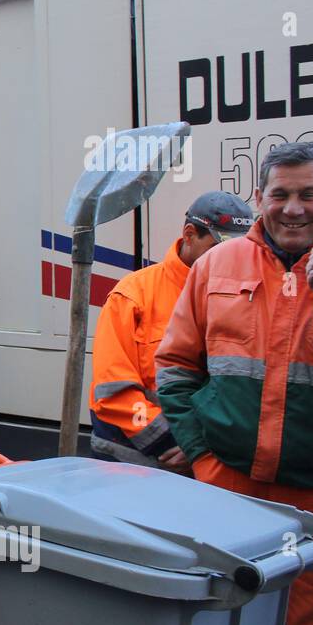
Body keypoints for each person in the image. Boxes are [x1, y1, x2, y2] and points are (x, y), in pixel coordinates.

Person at [156, 141, 313, 625]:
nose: (293, 208)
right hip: (230, 496)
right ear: (259, 198)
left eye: (309, 194)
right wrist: (204, 460)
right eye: (279, 194)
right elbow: (177, 368)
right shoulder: (217, 265)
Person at [90, 191, 254, 468]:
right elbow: (113, 393)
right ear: (189, 234)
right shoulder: (133, 295)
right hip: (134, 467)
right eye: (220, 248)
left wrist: (201, 443)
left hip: (210, 457)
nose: (231, 259)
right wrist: (175, 441)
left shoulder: (246, 295)